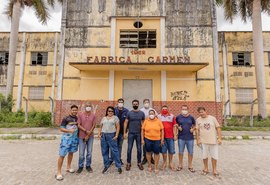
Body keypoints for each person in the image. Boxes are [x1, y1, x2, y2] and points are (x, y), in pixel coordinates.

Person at [196, 107, 222, 177]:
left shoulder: (212, 118)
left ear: (205, 111)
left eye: (202, 112)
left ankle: (214, 170)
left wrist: (219, 138)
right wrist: (197, 140)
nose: (201, 113)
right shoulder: (198, 120)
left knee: (214, 156)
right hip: (203, 142)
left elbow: (218, 128)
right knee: (204, 156)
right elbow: (197, 130)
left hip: (213, 141)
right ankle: (206, 169)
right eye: (200, 112)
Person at [56, 105, 79, 181]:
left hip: (74, 139)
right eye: (73, 110)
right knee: (62, 155)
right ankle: (58, 172)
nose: (74, 111)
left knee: (71, 153)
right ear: (71, 110)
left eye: (76, 110)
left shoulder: (77, 118)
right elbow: (61, 128)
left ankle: (68, 167)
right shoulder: (66, 118)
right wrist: (69, 131)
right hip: (66, 139)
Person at [98, 106, 122, 174]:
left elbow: (118, 127)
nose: (110, 112)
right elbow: (100, 126)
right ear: (107, 111)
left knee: (115, 151)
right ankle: (106, 165)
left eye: (111, 111)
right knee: (104, 152)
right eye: (109, 111)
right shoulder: (104, 118)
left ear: (113, 112)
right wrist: (99, 134)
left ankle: (118, 166)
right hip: (104, 136)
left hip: (112, 135)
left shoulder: (115, 118)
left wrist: (116, 135)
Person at [124, 99, 145, 171]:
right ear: (132, 104)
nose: (135, 105)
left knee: (139, 149)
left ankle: (139, 163)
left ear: (138, 104)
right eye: (134, 104)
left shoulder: (142, 113)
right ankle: (128, 163)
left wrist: (143, 134)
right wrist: (124, 132)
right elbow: (126, 123)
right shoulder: (129, 113)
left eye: (136, 104)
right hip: (131, 134)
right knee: (129, 149)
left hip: (139, 134)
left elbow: (143, 124)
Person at [76, 102, 96, 173]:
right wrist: (85, 130)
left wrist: (88, 134)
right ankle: (80, 166)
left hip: (90, 136)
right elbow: (78, 125)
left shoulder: (93, 115)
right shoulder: (81, 115)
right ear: (84, 107)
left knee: (89, 152)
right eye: (87, 106)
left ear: (91, 107)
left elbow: (94, 125)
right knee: (81, 153)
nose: (88, 107)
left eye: (89, 106)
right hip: (81, 136)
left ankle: (88, 166)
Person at [175, 105, 196, 172]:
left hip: (190, 138)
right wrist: (178, 128)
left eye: (185, 109)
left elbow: (195, 125)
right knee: (181, 152)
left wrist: (193, 129)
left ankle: (190, 165)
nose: (184, 110)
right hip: (181, 137)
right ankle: (180, 165)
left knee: (190, 152)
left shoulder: (191, 117)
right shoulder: (178, 117)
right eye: (183, 109)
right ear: (181, 109)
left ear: (188, 109)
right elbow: (176, 125)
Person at [158, 105, 177, 171]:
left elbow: (174, 126)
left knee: (171, 151)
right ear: (161, 109)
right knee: (163, 151)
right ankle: (164, 162)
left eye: (166, 109)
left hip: (170, 136)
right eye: (163, 109)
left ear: (168, 109)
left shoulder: (172, 116)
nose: (164, 110)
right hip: (162, 137)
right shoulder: (158, 116)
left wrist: (175, 135)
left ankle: (170, 162)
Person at [113, 98, 129, 165]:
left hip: (122, 132)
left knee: (119, 146)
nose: (120, 103)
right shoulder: (114, 110)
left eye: (122, 102)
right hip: (114, 131)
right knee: (113, 146)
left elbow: (127, 122)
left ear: (123, 103)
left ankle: (118, 159)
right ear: (117, 102)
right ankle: (112, 159)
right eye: (119, 102)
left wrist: (126, 132)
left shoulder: (126, 111)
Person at [140, 99, 156, 165]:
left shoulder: (152, 110)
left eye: (147, 102)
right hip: (144, 129)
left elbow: (156, 118)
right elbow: (140, 120)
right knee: (145, 144)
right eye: (145, 102)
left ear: (149, 103)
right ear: (143, 103)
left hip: (152, 130)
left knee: (151, 144)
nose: (146, 103)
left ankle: (151, 157)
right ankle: (145, 158)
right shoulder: (141, 110)